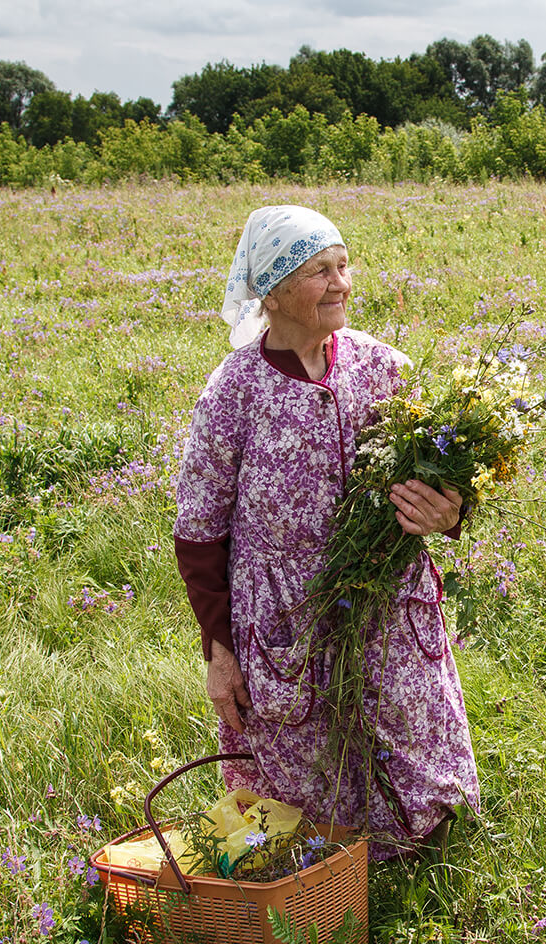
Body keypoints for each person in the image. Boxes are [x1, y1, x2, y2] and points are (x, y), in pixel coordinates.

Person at [172, 205, 480, 858]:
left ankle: (413, 871)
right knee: (281, 812)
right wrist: (219, 652)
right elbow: (198, 535)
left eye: (343, 265)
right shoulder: (233, 393)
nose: (341, 282)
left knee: (414, 767)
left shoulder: (384, 368)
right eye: (320, 271)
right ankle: (276, 892)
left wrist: (451, 512)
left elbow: (444, 475)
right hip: (285, 628)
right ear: (274, 290)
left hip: (387, 609)